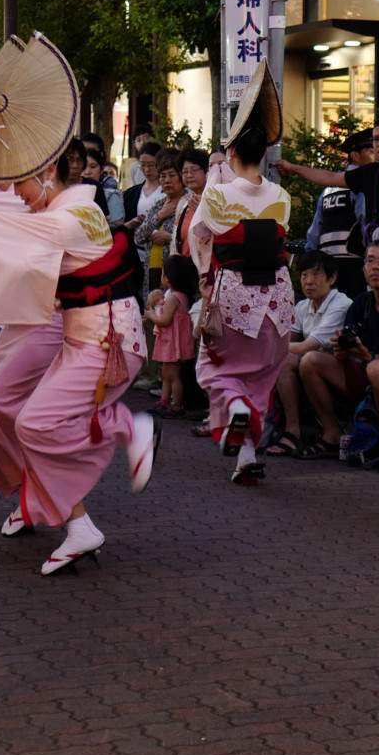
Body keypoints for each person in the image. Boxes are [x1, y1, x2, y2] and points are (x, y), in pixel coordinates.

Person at [0, 32, 158, 573]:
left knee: (33, 423)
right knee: (21, 418)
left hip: (104, 342)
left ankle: (124, 430)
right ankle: (71, 516)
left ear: (46, 172)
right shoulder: (63, 208)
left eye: (20, 184)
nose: (15, 194)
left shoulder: (71, 216)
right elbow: (12, 219)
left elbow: (18, 231)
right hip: (86, 338)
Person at [189, 65, 294, 486]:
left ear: (231, 153)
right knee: (262, 373)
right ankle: (247, 453)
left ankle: (235, 410)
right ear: (265, 154)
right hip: (277, 293)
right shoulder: (281, 196)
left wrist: (204, 273)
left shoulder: (217, 195)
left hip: (234, 289)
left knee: (215, 367)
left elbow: (199, 235)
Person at [298, 238, 379, 472]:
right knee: (310, 361)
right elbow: (349, 353)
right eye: (370, 261)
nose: (375, 267)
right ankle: (331, 435)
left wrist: (370, 357)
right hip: (365, 375)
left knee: (377, 369)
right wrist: (342, 351)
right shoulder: (361, 302)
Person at [269, 249, 352, 457]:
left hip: (344, 373)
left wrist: (267, 348)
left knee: (309, 359)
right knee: (284, 360)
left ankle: (331, 435)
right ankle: (292, 431)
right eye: (304, 275)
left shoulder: (340, 304)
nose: (308, 281)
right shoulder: (303, 306)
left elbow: (306, 347)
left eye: (316, 274)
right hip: (314, 370)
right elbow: (289, 343)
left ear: (332, 278)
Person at [277, 114, 379, 220]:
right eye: (376, 139)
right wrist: (292, 168)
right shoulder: (369, 173)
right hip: (376, 249)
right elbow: (330, 177)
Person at [305, 128, 373, 297]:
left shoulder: (328, 190)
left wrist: (310, 258)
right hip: (354, 264)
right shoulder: (359, 186)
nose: (376, 157)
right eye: (371, 152)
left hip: (326, 266)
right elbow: (365, 223)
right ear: (355, 156)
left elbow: (315, 232)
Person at [146, 253, 198, 418]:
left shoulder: (174, 298)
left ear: (169, 278)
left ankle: (176, 404)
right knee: (167, 373)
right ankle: (165, 401)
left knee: (173, 375)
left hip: (173, 343)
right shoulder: (180, 296)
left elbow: (164, 320)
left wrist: (150, 315)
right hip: (172, 341)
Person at [134, 149, 183, 298]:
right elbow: (139, 237)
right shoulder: (159, 204)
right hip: (152, 271)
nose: (167, 180)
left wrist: (170, 238)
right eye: (163, 176)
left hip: (177, 273)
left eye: (172, 175)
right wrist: (160, 215)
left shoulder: (188, 203)